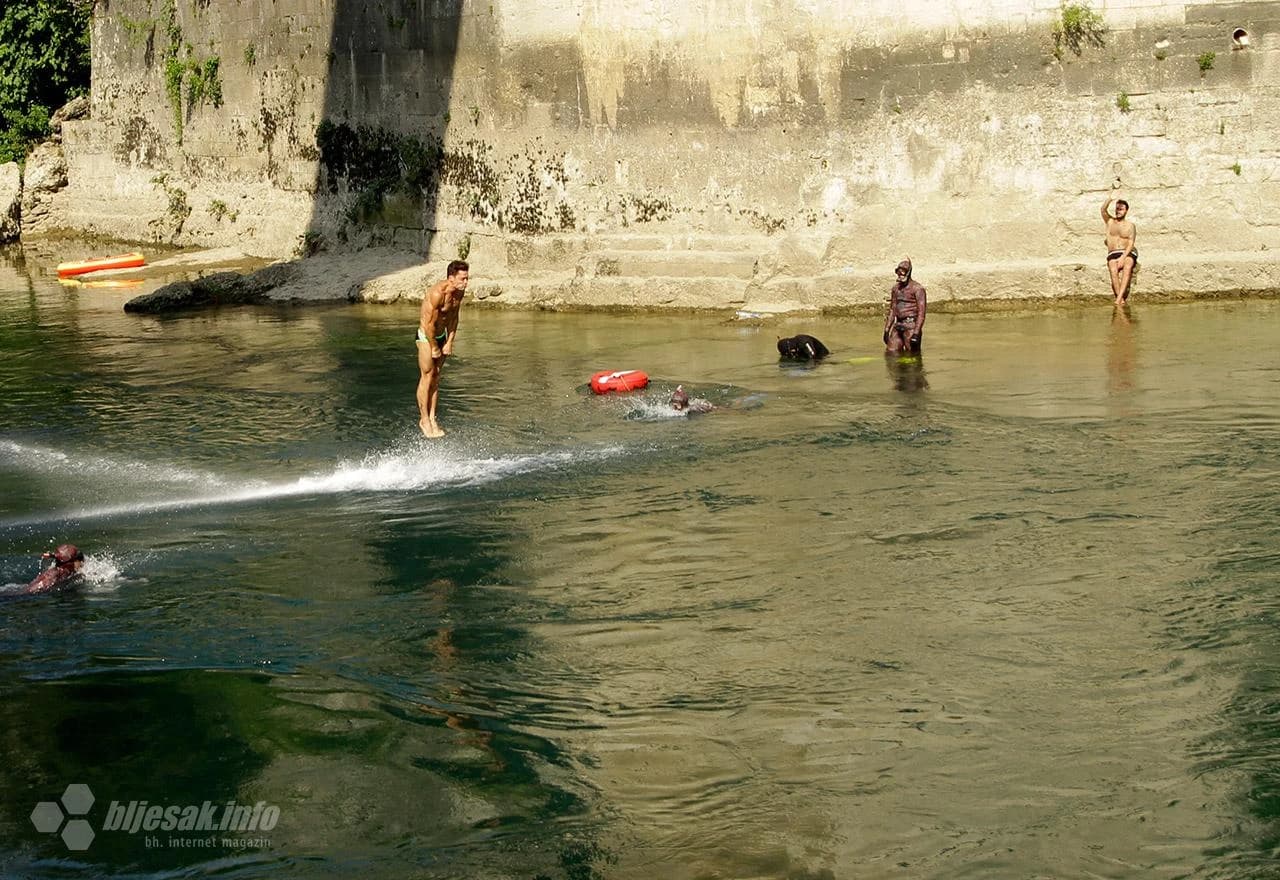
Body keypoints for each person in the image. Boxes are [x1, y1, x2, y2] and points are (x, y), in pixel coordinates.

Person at [416, 260, 470, 438]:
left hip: (441, 336)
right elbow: (429, 325)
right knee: (427, 375)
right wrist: (433, 347)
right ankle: (424, 419)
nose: (466, 282)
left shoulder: (459, 294)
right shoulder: (437, 293)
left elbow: (454, 318)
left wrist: (449, 342)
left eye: (467, 278)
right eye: (462, 279)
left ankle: (432, 418)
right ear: (451, 278)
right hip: (426, 336)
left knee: (437, 376)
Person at [883, 259, 926, 354]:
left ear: (908, 272)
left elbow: (921, 313)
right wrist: (886, 329)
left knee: (912, 357)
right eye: (899, 272)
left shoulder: (918, 289)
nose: (900, 274)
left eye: (903, 271)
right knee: (891, 353)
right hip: (898, 326)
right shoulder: (895, 289)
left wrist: (916, 333)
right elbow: (892, 310)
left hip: (911, 326)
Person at [1102, 197, 1137, 304]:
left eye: (1121, 209)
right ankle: (1120, 299)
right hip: (1113, 252)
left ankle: (1119, 298)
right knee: (1113, 269)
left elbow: (1131, 243)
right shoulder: (1110, 221)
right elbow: (1103, 209)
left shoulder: (1130, 226)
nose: (1118, 211)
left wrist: (1123, 257)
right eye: (1117, 209)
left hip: (1127, 252)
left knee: (1127, 267)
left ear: (1126, 210)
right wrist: (1110, 198)